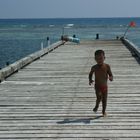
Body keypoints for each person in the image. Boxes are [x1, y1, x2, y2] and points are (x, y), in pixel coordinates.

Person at [88, 50, 113, 117]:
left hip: (105, 86)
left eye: (101, 58)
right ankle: (96, 106)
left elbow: (110, 74)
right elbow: (90, 74)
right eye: (97, 59)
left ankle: (103, 111)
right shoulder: (94, 67)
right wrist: (90, 80)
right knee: (99, 97)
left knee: (104, 100)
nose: (99, 60)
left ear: (104, 58)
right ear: (95, 59)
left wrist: (111, 78)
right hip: (97, 86)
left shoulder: (107, 66)